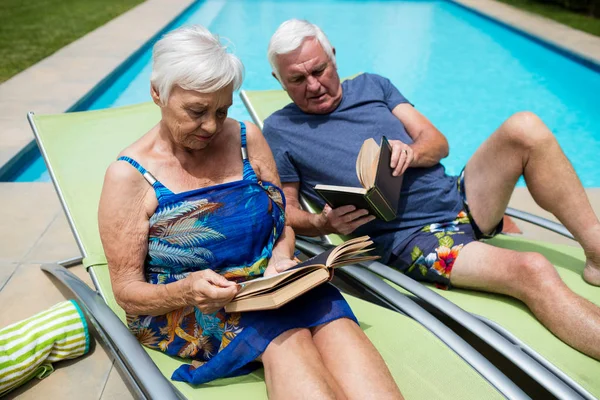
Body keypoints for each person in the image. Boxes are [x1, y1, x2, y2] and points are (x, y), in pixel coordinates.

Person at [263, 19, 600, 361]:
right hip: (410, 239)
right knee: (532, 269)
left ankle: (596, 250)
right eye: (297, 79)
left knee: (524, 127)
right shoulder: (280, 130)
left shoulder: (372, 86)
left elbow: (438, 142)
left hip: (458, 198)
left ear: (333, 57)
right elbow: (284, 210)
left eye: (319, 70)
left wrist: (412, 153)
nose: (314, 85)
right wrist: (323, 224)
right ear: (279, 81)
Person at [98, 25, 402, 399]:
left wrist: (281, 257)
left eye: (222, 109)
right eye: (196, 111)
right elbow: (127, 292)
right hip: (191, 309)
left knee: (340, 330)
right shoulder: (129, 176)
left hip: (274, 286)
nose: (211, 125)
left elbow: (281, 223)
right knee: (289, 341)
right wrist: (190, 290)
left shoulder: (246, 139)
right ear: (157, 93)